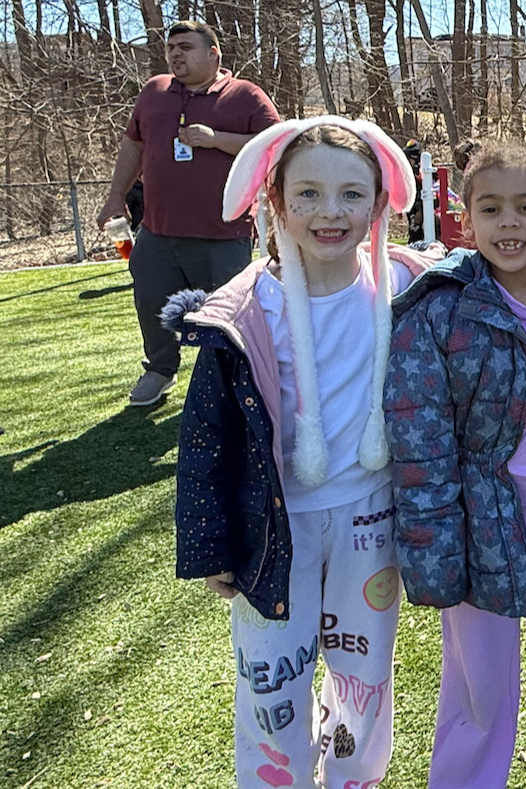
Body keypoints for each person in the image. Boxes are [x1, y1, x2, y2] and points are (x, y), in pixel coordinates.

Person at [163, 116, 439, 788]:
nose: (330, 212)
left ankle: (354, 778)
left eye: (351, 194)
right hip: (271, 534)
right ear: (275, 200)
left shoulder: (407, 287)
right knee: (272, 680)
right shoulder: (243, 312)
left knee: (363, 674)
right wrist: (211, 546)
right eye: (308, 193)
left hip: (370, 523)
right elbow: (206, 441)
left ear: (379, 202)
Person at [384, 139, 526, 789]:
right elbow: (416, 430)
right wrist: (430, 538)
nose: (509, 223)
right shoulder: (439, 307)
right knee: (478, 671)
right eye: (491, 209)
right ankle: (466, 777)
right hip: (479, 516)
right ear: (466, 215)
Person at [98, 20, 280, 407]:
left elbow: (276, 147)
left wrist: (217, 140)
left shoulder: (245, 96)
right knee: (150, 301)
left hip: (223, 233)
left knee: (231, 316)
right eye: (171, 49)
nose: (176, 54)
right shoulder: (154, 93)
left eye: (186, 47)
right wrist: (115, 196)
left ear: (214, 53)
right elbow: (132, 145)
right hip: (158, 230)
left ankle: (237, 381)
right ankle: (160, 369)